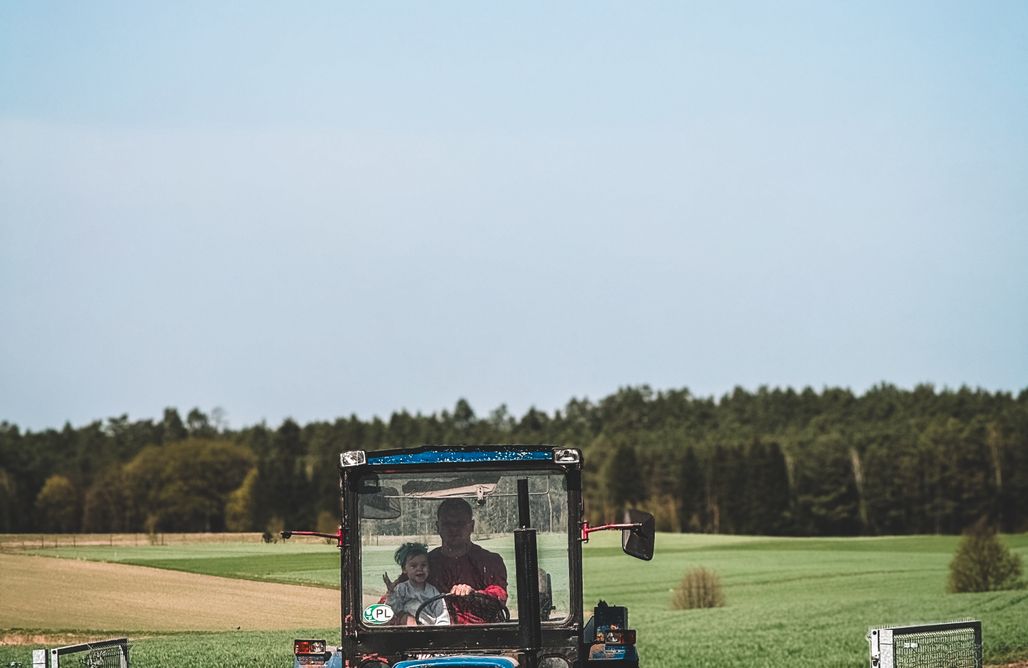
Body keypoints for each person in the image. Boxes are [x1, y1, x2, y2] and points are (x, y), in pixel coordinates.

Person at [427, 498, 508, 624]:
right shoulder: (424, 564)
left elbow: (500, 595)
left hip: (482, 634)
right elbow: (394, 596)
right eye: (447, 524)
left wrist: (474, 594)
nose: (454, 529)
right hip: (435, 635)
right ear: (438, 527)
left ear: (472, 526)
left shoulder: (491, 561)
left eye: (460, 524)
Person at [383, 542, 451, 626]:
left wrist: (439, 633)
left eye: (423, 565)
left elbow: (442, 615)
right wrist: (391, 593)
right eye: (413, 566)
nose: (419, 569)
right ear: (404, 569)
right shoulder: (401, 588)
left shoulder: (433, 591)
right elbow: (393, 609)